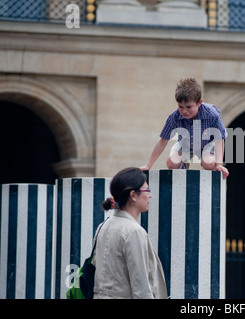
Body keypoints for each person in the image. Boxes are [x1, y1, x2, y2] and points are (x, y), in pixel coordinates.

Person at [93, 167, 168, 298]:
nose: (150, 195)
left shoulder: (102, 226)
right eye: (147, 190)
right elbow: (141, 288)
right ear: (133, 195)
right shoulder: (134, 231)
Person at [140, 78, 229, 178]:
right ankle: (184, 165)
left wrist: (218, 164)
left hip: (208, 142)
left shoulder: (212, 114)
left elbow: (220, 138)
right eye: (180, 106)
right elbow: (163, 140)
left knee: (208, 163)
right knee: (171, 163)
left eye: (189, 107)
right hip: (186, 143)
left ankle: (212, 169)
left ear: (199, 103)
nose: (184, 111)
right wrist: (149, 165)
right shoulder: (174, 116)